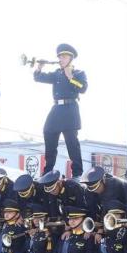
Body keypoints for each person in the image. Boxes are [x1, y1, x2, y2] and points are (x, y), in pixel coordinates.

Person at [33, 43, 88, 179]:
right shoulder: (57, 73)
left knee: (71, 142)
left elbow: (83, 88)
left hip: (70, 109)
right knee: (48, 133)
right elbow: (38, 78)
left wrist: (70, 77)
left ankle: (77, 173)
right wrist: (39, 67)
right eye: (60, 56)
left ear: (71, 58)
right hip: (57, 108)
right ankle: (47, 172)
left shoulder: (78, 73)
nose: (61, 59)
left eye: (64, 56)